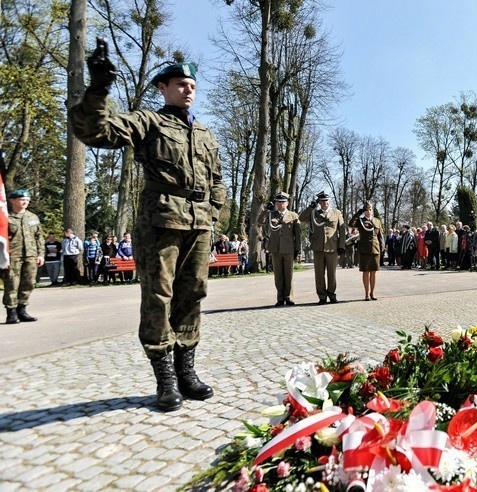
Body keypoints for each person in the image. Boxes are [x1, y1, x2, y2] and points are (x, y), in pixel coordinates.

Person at [69, 41, 225, 412]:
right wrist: (98, 90)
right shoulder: (149, 122)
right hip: (161, 221)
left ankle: (186, 372)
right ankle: (165, 379)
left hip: (199, 224)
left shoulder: (205, 133)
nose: (188, 90)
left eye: (192, 86)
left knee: (193, 294)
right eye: (181, 84)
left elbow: (217, 179)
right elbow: (96, 132)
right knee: (158, 297)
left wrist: (214, 215)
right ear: (163, 87)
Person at [2, 189, 44, 324]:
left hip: (31, 256)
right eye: (21, 199)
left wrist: (41, 254)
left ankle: (22, 310)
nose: (25, 202)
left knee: (29, 283)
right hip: (13, 256)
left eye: (27, 200)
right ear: (12, 200)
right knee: (12, 284)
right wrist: (3, 258)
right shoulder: (5, 217)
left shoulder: (32, 217)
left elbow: (39, 237)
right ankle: (11, 312)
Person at [299, 191, 346, 304]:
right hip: (318, 247)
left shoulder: (336, 213)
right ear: (319, 202)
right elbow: (301, 218)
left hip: (332, 247)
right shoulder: (314, 213)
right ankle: (322, 296)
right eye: (322, 201)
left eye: (327, 200)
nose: (325, 202)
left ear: (330, 201)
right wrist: (310, 208)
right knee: (319, 274)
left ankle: (332, 294)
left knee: (332, 273)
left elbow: (342, 230)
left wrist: (341, 245)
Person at [263, 192, 301, 306]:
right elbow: (260, 222)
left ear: (287, 203)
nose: (280, 204)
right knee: (278, 275)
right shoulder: (271, 215)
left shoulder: (293, 215)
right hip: (275, 249)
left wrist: (298, 248)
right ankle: (280, 298)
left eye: (283, 202)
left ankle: (289, 297)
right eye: (278, 202)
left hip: (289, 248)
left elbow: (297, 234)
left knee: (289, 274)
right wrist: (266, 210)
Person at [349, 202, 384, 300]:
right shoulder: (360, 220)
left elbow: (380, 235)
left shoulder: (377, 220)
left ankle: (373, 292)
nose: (368, 212)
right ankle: (366, 293)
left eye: (370, 209)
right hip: (364, 249)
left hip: (375, 248)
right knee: (366, 271)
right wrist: (358, 213)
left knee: (374, 271)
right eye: (366, 210)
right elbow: (351, 224)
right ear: (363, 211)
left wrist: (382, 247)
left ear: (372, 210)